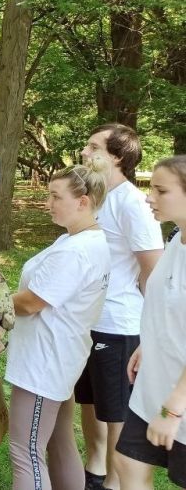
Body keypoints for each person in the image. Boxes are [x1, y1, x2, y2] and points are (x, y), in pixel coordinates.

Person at [5, 159, 111, 490]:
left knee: (25, 452)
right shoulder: (79, 239)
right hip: (58, 356)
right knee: (59, 441)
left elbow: (32, 302)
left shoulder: (77, 250)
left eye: (55, 197)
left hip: (44, 363)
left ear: (83, 202)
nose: (46, 203)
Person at [76, 124, 164, 490]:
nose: (83, 151)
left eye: (93, 146)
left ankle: (114, 482)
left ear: (117, 157)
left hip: (118, 323)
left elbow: (153, 270)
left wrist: (149, 330)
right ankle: (94, 472)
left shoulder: (132, 203)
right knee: (90, 402)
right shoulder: (93, 195)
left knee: (116, 413)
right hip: (85, 320)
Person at [114, 155, 186, 489]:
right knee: (128, 462)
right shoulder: (176, 239)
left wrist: (173, 410)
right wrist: (148, 343)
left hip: (179, 399)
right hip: (154, 384)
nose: (149, 197)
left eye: (161, 190)